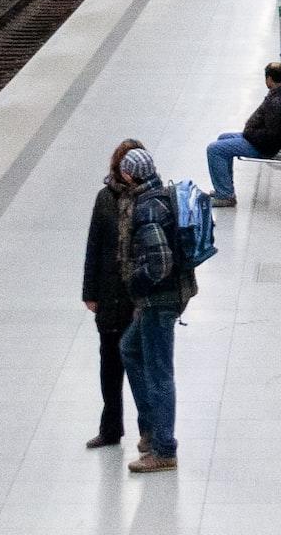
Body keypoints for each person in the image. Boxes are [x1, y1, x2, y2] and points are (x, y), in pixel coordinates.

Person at [114, 146, 189, 472]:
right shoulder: (159, 194)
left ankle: (164, 448)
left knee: (160, 374)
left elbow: (159, 262)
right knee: (129, 348)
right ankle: (153, 428)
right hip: (162, 299)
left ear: (130, 175)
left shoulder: (147, 210)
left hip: (158, 301)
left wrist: (137, 284)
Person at [81, 139, 141, 450]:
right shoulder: (104, 199)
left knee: (141, 368)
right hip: (108, 293)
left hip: (137, 295)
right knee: (109, 365)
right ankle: (111, 428)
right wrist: (89, 292)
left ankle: (148, 432)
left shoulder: (149, 200)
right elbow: (93, 246)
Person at [204, 62, 281, 206]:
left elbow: (271, 135)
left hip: (263, 145)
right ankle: (225, 189)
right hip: (259, 139)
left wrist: (250, 135)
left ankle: (226, 196)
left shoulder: (278, 102)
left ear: (269, 79)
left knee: (215, 149)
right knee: (223, 138)